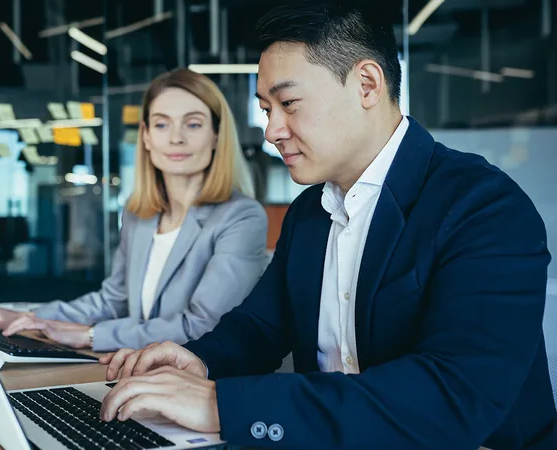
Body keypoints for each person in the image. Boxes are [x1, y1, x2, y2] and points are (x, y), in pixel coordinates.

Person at [97, 2, 557, 449]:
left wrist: (224, 406)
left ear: (367, 85)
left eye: (289, 103)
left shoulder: (484, 207)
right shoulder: (309, 213)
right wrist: (198, 359)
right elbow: (258, 328)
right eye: (265, 109)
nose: (272, 130)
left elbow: (451, 396)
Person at [0, 68, 268, 353]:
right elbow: (113, 302)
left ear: (216, 135)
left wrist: (90, 336)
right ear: (146, 136)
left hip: (203, 383)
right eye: (162, 124)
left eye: (193, 124)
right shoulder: (140, 215)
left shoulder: (240, 217)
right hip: (137, 369)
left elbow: (203, 325)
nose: (176, 138)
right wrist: (29, 317)